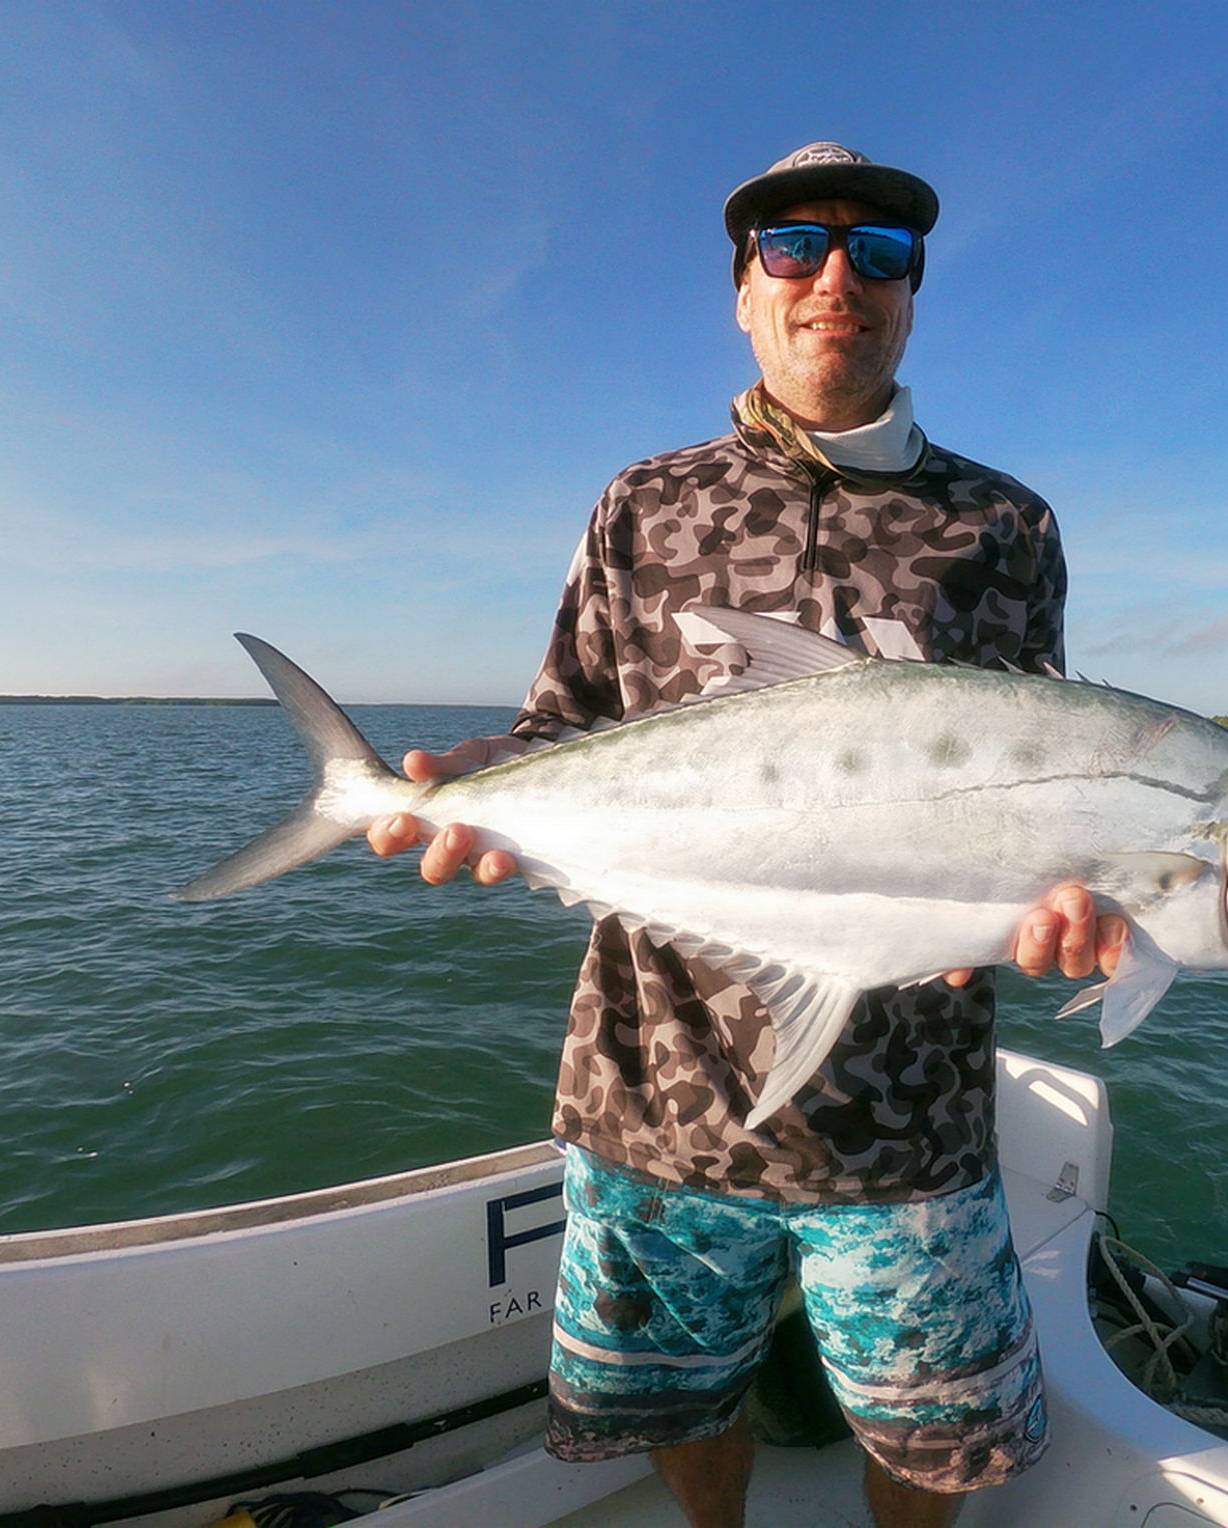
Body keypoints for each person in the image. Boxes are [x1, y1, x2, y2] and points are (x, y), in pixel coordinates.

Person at [369, 143, 1123, 1528]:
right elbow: (563, 725)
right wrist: (487, 786)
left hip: (911, 1128)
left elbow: (1043, 782)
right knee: (671, 1405)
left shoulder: (1005, 526)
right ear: (743, 292)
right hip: (657, 1095)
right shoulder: (641, 503)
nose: (838, 276)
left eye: (881, 253)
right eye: (795, 246)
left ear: (911, 298)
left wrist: (1061, 907)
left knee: (936, 1440)